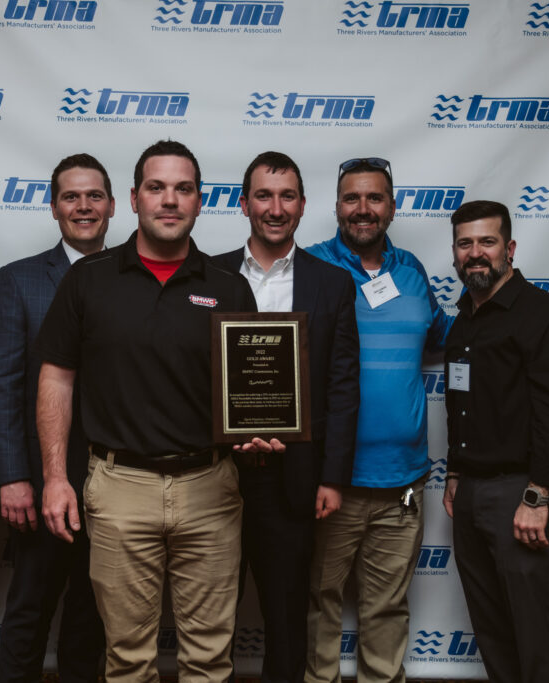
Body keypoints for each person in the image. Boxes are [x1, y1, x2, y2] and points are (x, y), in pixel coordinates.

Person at [36, 139, 266, 682]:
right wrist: (53, 477)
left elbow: (252, 391)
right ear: (134, 198)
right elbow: (56, 377)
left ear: (199, 201)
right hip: (118, 488)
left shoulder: (229, 287)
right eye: (157, 188)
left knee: (209, 658)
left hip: (210, 488)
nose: (170, 200)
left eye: (183, 188)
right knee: (127, 658)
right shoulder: (88, 280)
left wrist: (261, 433)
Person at [213, 151, 359, 683]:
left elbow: (343, 386)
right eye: (264, 195)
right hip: (214, 473)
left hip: (294, 479)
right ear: (244, 202)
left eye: (287, 196)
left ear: (302, 204)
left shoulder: (332, 283)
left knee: (286, 616)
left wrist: (333, 477)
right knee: (209, 616)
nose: (276, 208)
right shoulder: (207, 274)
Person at [304, 157, 451, 683]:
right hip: (331, 482)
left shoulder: (411, 270)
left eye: (374, 198)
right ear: (337, 205)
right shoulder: (312, 268)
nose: (362, 209)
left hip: (403, 483)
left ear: (392, 206)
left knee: (386, 610)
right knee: (317, 604)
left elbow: (441, 337)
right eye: (352, 198)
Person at [442, 200, 549, 683]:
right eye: (466, 244)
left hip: (523, 492)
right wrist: (457, 472)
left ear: (510, 248)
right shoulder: (463, 319)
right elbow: (464, 401)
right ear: (455, 252)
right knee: (491, 625)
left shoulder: (547, 319)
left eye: (487, 242)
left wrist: (538, 495)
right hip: (474, 491)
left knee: (533, 628)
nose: (476, 253)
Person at [0, 153, 112, 681]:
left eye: (94, 196)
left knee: (92, 614)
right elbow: (1, 386)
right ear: (55, 207)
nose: (83, 206)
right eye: (71, 196)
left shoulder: (130, 274)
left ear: (113, 205)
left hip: (114, 479)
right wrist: (13, 478)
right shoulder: (19, 280)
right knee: (30, 609)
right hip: (40, 479)